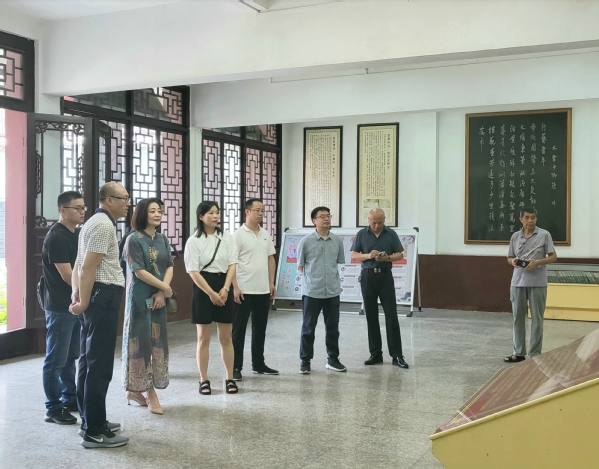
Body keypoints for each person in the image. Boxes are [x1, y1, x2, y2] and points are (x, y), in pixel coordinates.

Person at [69, 182, 130, 448]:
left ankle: (90, 420)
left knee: (88, 360)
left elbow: (79, 264)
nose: (128, 203)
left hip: (95, 294)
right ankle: (94, 431)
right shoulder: (103, 225)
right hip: (102, 296)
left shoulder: (93, 223)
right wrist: (82, 302)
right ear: (108, 200)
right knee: (99, 365)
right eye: (123, 198)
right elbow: (87, 267)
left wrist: (78, 294)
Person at [122, 198, 173, 415]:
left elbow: (169, 265)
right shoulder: (133, 239)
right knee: (140, 344)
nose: (157, 214)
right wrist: (165, 288)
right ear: (142, 213)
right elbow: (138, 271)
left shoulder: (162, 239)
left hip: (159, 298)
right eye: (152, 211)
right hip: (139, 299)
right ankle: (148, 392)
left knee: (157, 342)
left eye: (159, 211)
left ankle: (135, 392)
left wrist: (162, 292)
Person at [184, 201, 239, 395]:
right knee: (203, 338)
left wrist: (225, 288)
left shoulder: (227, 238)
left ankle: (230, 378)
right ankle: (204, 379)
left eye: (217, 212)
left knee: (226, 337)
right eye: (211, 213)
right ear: (201, 217)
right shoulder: (194, 241)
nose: (216, 216)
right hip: (203, 287)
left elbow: (233, 264)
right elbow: (193, 271)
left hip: (223, 285)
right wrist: (211, 294)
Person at [42, 191, 86, 425]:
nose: (82, 211)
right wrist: (88, 290)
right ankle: (53, 407)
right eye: (77, 208)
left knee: (70, 357)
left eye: (83, 207)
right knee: (56, 359)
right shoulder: (56, 237)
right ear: (62, 210)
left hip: (74, 303)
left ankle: (69, 398)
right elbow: (69, 276)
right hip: (60, 306)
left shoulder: (76, 234)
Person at [350, 208, 409, 369]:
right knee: (371, 315)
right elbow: (354, 255)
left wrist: (387, 258)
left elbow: (400, 254)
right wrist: (368, 255)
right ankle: (375, 353)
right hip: (368, 276)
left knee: (391, 315)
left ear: (384, 220)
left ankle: (397, 355)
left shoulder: (391, 234)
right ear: (368, 220)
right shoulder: (362, 234)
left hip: (385, 277)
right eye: (374, 222)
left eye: (380, 222)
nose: (376, 225)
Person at [231, 198, 278, 381]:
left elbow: (270, 258)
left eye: (262, 210)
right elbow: (231, 262)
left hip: (262, 290)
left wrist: (271, 283)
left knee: (260, 329)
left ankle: (258, 364)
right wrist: (235, 287)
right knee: (239, 330)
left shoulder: (265, 234)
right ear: (247, 212)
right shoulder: (238, 235)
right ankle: (235, 366)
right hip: (243, 290)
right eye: (257, 210)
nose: (260, 213)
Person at [297, 206, 346, 374]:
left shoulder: (337, 241)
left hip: (332, 291)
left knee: (333, 328)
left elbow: (338, 262)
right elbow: (300, 267)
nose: (326, 219)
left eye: (328, 216)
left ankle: (333, 359)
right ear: (314, 221)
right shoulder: (306, 242)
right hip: (312, 291)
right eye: (322, 216)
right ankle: (305, 360)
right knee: (308, 328)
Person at [505, 207, 557, 363]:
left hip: (537, 282)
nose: (530, 220)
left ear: (536, 218)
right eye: (527, 217)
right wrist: (513, 261)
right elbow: (509, 257)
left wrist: (537, 262)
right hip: (517, 282)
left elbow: (553, 256)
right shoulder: (515, 236)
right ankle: (518, 352)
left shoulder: (544, 234)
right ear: (521, 219)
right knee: (518, 318)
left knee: (537, 318)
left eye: (533, 217)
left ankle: (535, 353)